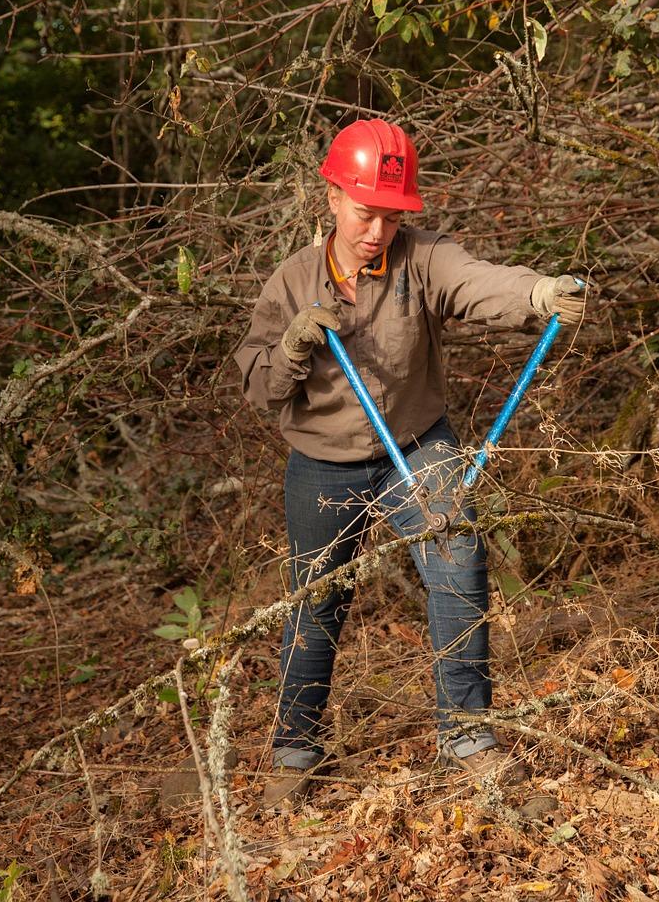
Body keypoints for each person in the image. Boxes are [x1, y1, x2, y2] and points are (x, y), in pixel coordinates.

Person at [235, 119, 586, 806]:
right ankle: (296, 747)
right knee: (317, 598)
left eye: (391, 217)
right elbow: (259, 386)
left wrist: (538, 294)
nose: (377, 231)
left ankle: (467, 736)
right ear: (331, 196)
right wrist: (294, 344)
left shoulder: (421, 257)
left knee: (458, 559)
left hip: (417, 447)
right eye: (366, 213)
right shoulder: (291, 280)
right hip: (321, 463)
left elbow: (477, 281)